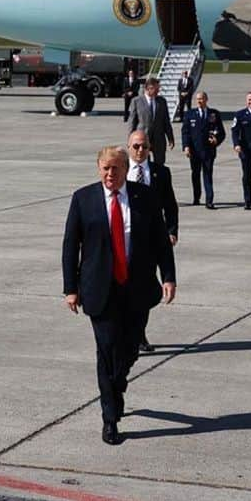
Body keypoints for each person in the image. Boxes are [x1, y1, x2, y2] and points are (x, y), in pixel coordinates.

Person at [62, 146, 176, 445]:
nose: (110, 174)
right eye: (105, 168)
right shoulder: (83, 198)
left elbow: (161, 241)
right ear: (98, 168)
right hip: (100, 289)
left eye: (115, 169)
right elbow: (70, 245)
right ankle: (110, 418)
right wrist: (70, 288)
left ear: (126, 170)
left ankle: (118, 383)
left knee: (129, 349)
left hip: (137, 287)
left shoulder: (144, 197)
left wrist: (168, 276)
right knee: (107, 349)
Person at [127, 130, 179, 353]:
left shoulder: (161, 173)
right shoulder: (120, 171)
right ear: (128, 147)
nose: (140, 151)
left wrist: (171, 231)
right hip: (125, 239)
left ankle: (139, 334)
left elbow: (170, 205)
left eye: (144, 147)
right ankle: (127, 334)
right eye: (136, 146)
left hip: (150, 241)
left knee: (145, 290)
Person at [180, 91, 224, 209]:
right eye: (198, 99)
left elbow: (221, 132)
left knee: (208, 175)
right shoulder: (190, 114)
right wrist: (186, 146)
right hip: (194, 151)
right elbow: (185, 132)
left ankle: (209, 200)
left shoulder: (213, 114)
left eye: (202, 99)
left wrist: (216, 140)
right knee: (195, 174)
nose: (200, 101)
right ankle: (196, 197)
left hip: (208, 151)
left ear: (206, 100)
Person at [127, 77, 175, 166]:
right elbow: (132, 122)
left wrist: (170, 138)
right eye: (156, 89)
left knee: (160, 164)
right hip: (143, 138)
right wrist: (130, 139)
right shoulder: (136, 101)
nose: (158, 91)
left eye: (158, 89)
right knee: (143, 164)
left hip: (159, 139)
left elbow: (166, 121)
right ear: (148, 89)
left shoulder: (162, 101)